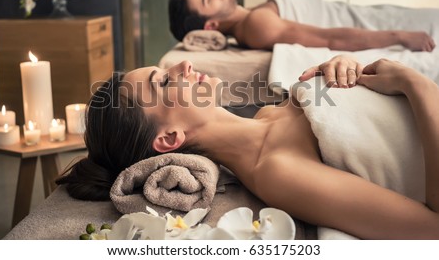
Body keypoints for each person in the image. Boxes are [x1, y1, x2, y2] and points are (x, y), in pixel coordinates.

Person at [57, 56, 439, 239]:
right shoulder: (274, 171)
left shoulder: (268, 116)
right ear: (169, 139)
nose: (184, 66)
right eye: (164, 82)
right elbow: (430, 232)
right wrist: (414, 83)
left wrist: (347, 70)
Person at [168, 0, 437, 52]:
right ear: (211, 25)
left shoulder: (253, 14)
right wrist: (400, 36)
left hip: (379, 17)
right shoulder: (256, 26)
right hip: (391, 29)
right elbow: (329, 39)